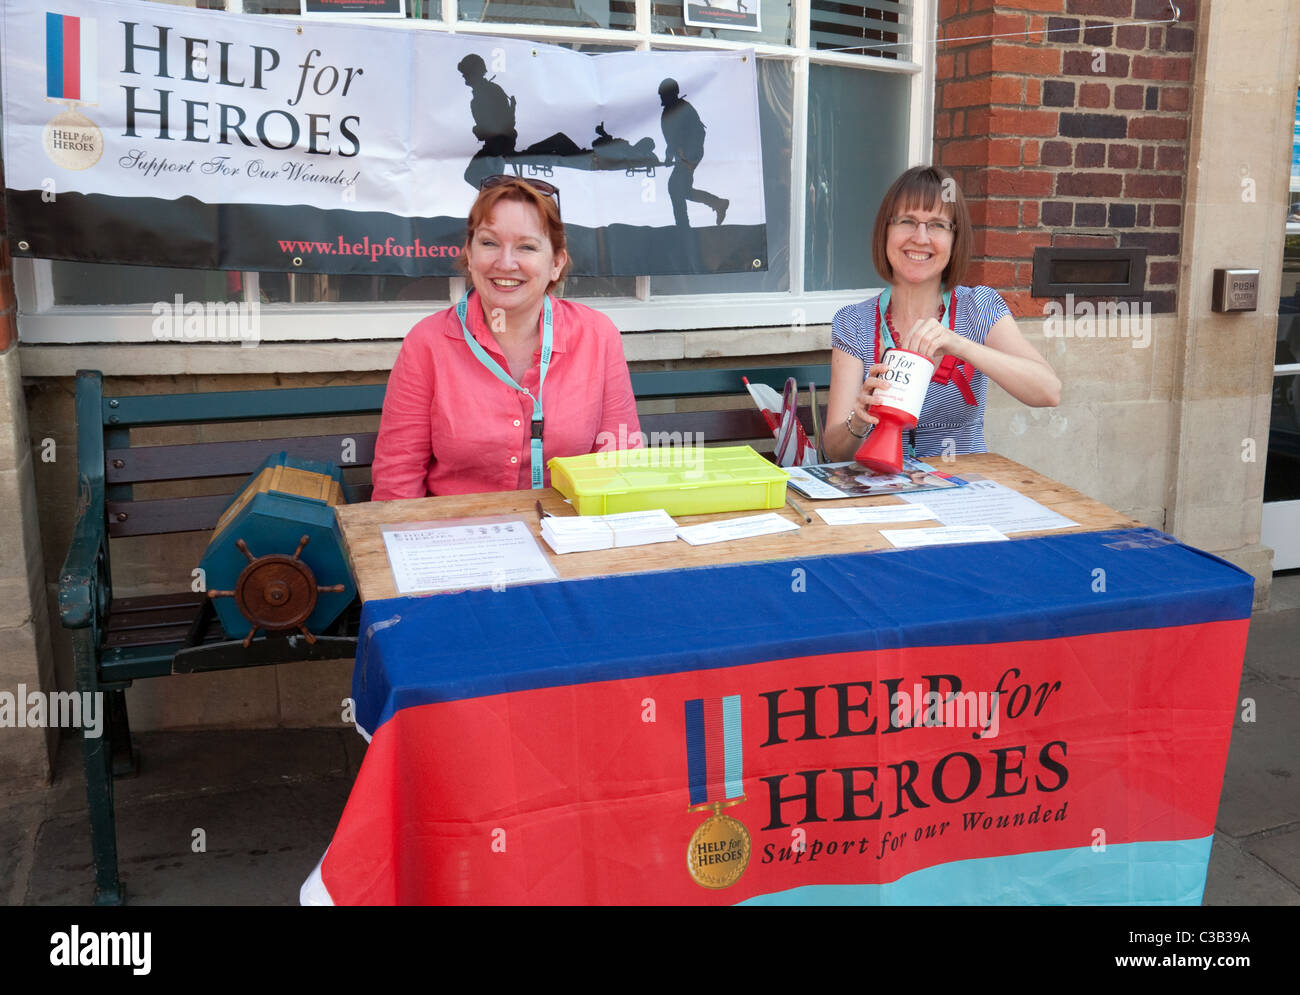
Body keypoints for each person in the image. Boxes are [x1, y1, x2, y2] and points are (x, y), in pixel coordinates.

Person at [371, 177, 642, 499]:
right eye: (489, 243)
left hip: (567, 540)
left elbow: (620, 462)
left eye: (526, 247)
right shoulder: (427, 342)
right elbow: (397, 479)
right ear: (469, 255)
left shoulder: (598, 335)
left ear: (556, 263)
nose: (505, 263)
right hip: (457, 538)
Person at [824, 165, 1060, 463]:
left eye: (937, 225)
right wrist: (857, 422)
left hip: (961, 491)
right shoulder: (853, 322)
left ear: (954, 239)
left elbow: (1049, 391)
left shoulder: (980, 307)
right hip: (879, 492)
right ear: (885, 231)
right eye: (907, 221)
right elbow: (833, 452)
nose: (920, 238)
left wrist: (957, 344)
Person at [658, 78, 729, 228]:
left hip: (689, 156)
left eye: (664, 95)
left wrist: (688, 158)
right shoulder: (672, 110)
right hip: (684, 157)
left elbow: (695, 133)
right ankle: (717, 203)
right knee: (681, 190)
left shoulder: (681, 109)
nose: (662, 98)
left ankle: (683, 225)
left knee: (675, 187)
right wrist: (669, 157)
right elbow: (672, 140)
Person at [458, 53, 517, 189]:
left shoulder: (487, 94)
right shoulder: (483, 94)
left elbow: (498, 124)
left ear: (474, 72)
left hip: (498, 146)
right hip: (497, 145)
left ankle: (501, 195)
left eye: (466, 73)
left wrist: (478, 130)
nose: (464, 76)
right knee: (485, 180)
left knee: (473, 176)